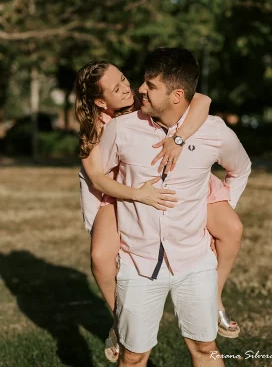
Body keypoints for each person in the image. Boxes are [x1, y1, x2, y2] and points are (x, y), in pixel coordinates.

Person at [75, 59, 244, 362]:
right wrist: (132, 198)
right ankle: (120, 320)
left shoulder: (173, 111)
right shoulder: (102, 128)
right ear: (101, 101)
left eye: (126, 79)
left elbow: (201, 98)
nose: (130, 88)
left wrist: (178, 139)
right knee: (100, 256)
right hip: (118, 193)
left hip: (179, 197)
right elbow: (96, 179)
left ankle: (214, 296)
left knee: (231, 229)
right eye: (117, 88)